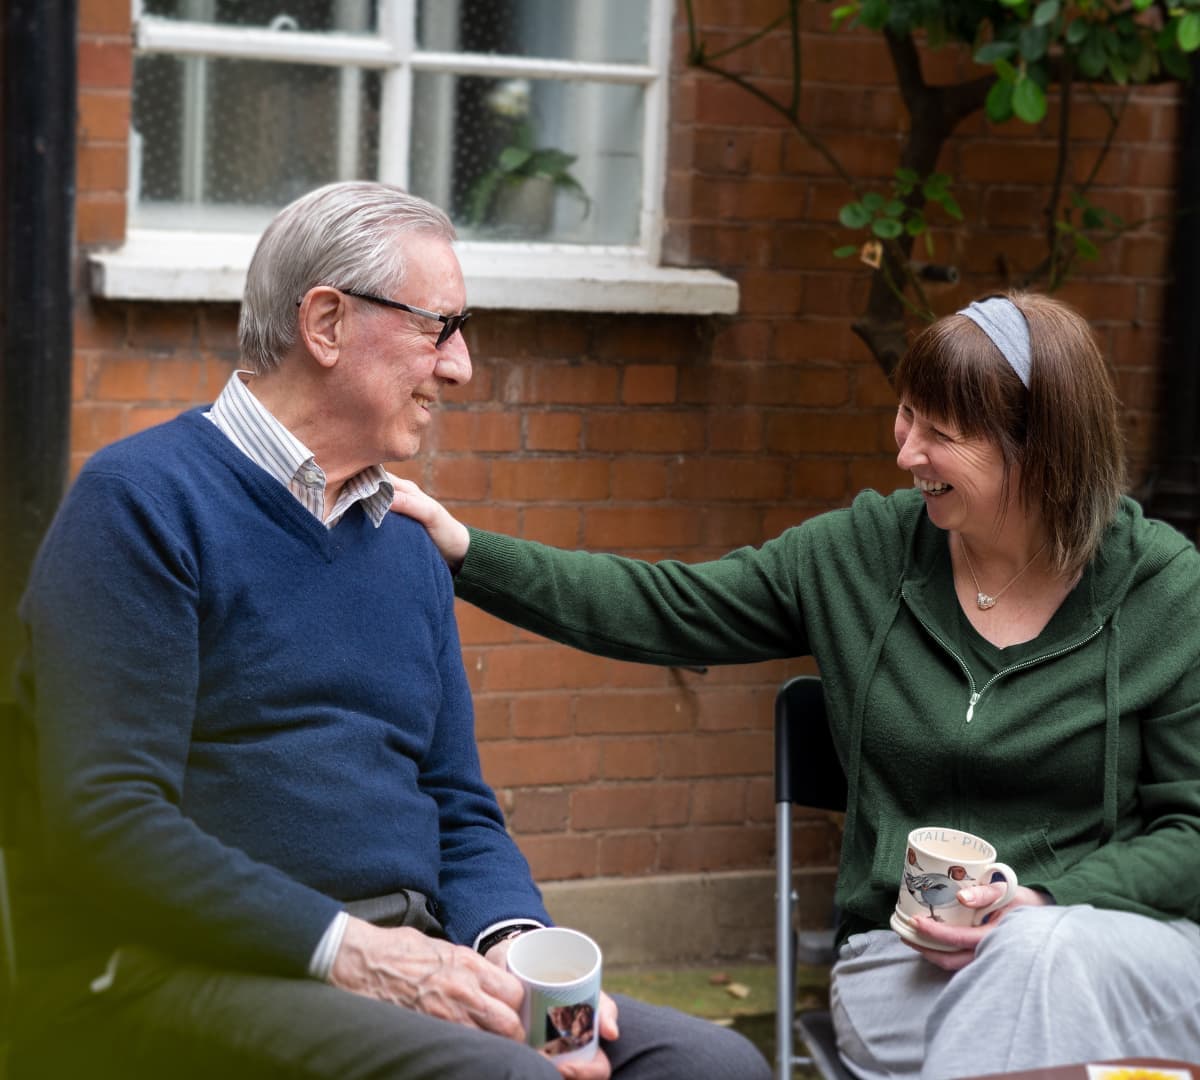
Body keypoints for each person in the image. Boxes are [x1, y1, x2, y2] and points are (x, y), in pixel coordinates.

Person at [10, 181, 771, 1080]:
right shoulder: (141, 504)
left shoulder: (405, 542)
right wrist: (359, 955)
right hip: (182, 973)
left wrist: (509, 946)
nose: (461, 367)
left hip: (403, 958)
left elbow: (458, 805)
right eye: (438, 327)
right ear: (326, 323)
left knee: (707, 1064)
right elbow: (107, 822)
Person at [391, 292, 1200, 1078]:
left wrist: (1046, 902)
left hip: (1107, 941)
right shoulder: (862, 555)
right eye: (905, 414)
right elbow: (668, 607)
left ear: (1039, 450)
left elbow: (1190, 830)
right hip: (907, 969)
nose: (906, 451)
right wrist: (465, 550)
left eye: (940, 432)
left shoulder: (1163, 588)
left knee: (1035, 958)